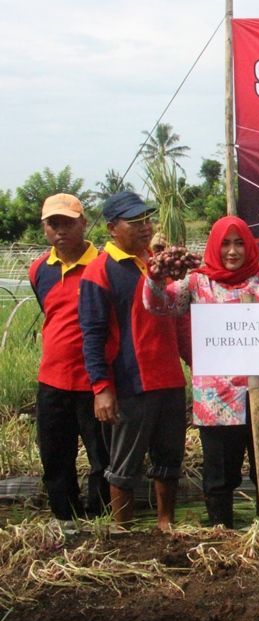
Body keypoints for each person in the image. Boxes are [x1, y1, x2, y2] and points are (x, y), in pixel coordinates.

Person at [143, 216, 259, 527]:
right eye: (225, 244)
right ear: (214, 246)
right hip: (219, 402)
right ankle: (221, 533)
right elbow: (159, 305)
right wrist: (156, 274)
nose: (233, 251)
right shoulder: (197, 283)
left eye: (239, 243)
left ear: (249, 245)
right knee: (219, 475)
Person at [79, 191, 188, 530]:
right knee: (124, 463)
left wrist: (195, 363)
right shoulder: (99, 270)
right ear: (112, 228)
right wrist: (101, 388)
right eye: (134, 222)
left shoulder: (160, 263)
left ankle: (165, 525)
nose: (145, 227)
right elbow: (92, 334)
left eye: (147, 220)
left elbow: (180, 319)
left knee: (168, 458)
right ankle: (123, 531)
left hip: (170, 377)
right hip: (130, 381)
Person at [28, 194, 110, 523]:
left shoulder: (104, 265)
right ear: (45, 228)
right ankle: (66, 520)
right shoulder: (39, 270)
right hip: (52, 381)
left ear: (83, 223)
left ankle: (101, 520)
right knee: (55, 457)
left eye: (68, 223)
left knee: (102, 458)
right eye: (54, 224)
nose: (61, 230)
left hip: (95, 383)